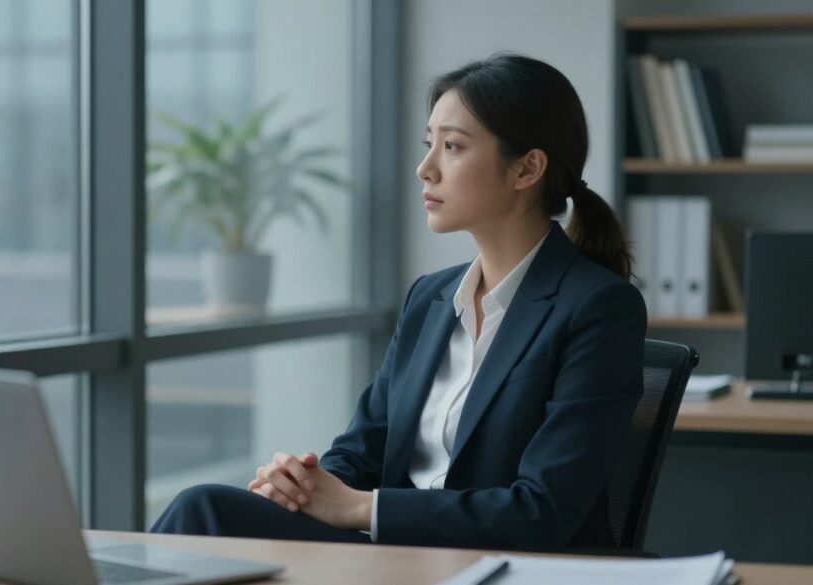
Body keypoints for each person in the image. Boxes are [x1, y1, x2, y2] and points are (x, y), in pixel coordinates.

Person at [151, 53, 646, 551]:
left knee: (201, 514)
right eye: (429, 144)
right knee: (205, 508)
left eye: (451, 147)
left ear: (527, 168)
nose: (424, 169)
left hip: (502, 566)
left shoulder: (598, 308)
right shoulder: (430, 298)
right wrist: (303, 486)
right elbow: (360, 453)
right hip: (399, 559)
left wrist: (360, 507)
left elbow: (542, 511)